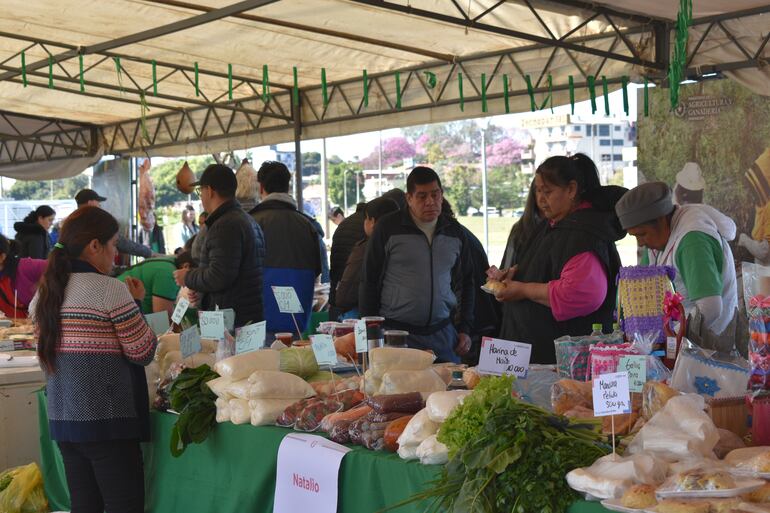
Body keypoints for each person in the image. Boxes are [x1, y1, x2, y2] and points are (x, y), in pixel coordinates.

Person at [31, 206, 157, 513]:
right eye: (113, 245)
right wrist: (137, 307)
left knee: (84, 506)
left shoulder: (45, 294)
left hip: (65, 422)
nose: (115, 254)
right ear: (94, 246)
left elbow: (44, 358)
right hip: (108, 423)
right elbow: (143, 352)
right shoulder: (109, 290)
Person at [493, 154, 626, 364]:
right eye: (537, 191)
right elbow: (544, 266)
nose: (540, 199)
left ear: (571, 190)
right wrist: (511, 276)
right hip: (529, 353)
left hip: (561, 362)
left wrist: (522, 289)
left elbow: (581, 294)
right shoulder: (551, 224)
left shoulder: (583, 233)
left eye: (548, 192)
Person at [360, 167, 474, 363]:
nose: (430, 201)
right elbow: (369, 280)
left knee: (448, 391)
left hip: (444, 334)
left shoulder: (455, 232)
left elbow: (467, 282)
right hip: (396, 334)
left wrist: (465, 328)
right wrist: (371, 334)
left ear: (442, 194)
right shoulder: (388, 228)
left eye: (435, 194)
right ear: (409, 198)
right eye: (421, 196)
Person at [616, 181, 738, 334]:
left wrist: (670, 335)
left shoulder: (692, 240)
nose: (640, 243)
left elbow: (710, 308)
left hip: (711, 345)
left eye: (642, 234)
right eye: (635, 236)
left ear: (661, 219)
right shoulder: (658, 240)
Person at [174, 164, 265, 328]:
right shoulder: (248, 221)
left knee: (227, 355)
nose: (201, 197)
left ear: (209, 191)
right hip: (249, 316)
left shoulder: (225, 225)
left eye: (200, 191)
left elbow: (219, 275)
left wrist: (188, 277)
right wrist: (202, 290)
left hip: (230, 322)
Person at [250, 161, 321, 334]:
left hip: (256, 326)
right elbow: (319, 272)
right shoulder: (309, 226)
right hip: (296, 326)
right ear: (288, 187)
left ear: (261, 188)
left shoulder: (250, 223)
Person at [335, 197, 400, 318]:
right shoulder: (403, 245)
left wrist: (339, 301)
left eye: (366, 218)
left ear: (373, 221)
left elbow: (348, 287)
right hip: (397, 314)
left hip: (363, 313)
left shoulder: (367, 247)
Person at [75, 189, 153, 259]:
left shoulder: (72, 221)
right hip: (94, 269)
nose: (100, 205)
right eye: (98, 202)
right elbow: (122, 243)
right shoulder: (96, 221)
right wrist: (149, 253)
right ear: (90, 202)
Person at [118, 252, 195, 315]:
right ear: (186, 267)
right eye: (196, 276)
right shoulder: (169, 274)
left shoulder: (170, 262)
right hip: (120, 310)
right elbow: (163, 319)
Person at [329, 202, 366, 319]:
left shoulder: (343, 225)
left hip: (339, 290)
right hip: (355, 296)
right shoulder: (368, 230)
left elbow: (333, 265)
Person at [0, 235, 46, 318]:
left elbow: (58, 267)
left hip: (37, 325)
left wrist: (44, 288)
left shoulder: (25, 267)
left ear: (2, 256)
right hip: (10, 328)